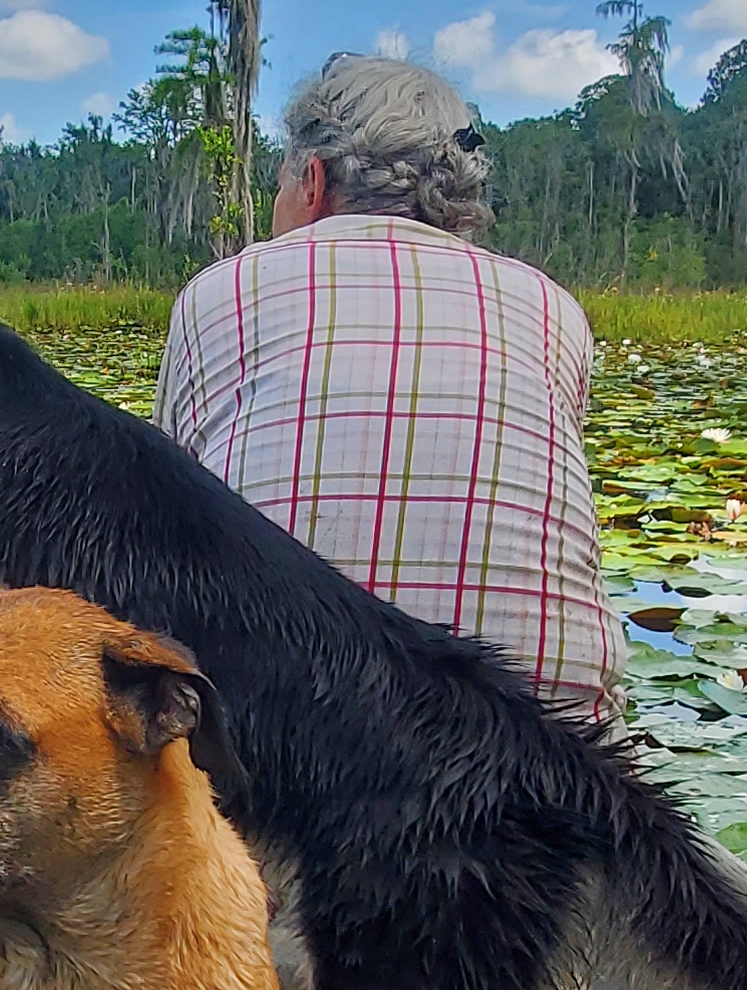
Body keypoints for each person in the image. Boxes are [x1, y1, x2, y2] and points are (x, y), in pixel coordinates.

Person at [155, 55, 616, 714]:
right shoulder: (553, 310)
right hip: (551, 759)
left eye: (280, 181)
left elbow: (171, 526)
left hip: (286, 744)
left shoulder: (223, 291)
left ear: (312, 181)